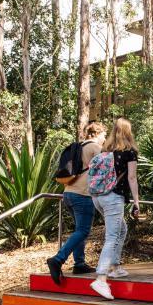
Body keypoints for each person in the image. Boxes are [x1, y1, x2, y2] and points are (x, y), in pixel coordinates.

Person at [47, 122, 105, 284]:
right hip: (83, 195)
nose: (105, 139)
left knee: (79, 230)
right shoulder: (95, 148)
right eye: (104, 135)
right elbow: (105, 171)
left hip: (68, 194)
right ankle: (58, 259)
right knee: (83, 231)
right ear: (97, 134)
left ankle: (79, 264)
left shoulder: (78, 146)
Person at [89, 118, 140, 300]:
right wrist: (136, 202)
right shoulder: (129, 152)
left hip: (97, 197)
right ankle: (101, 278)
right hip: (113, 197)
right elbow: (132, 178)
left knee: (122, 229)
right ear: (128, 131)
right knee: (112, 236)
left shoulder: (106, 149)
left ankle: (115, 267)